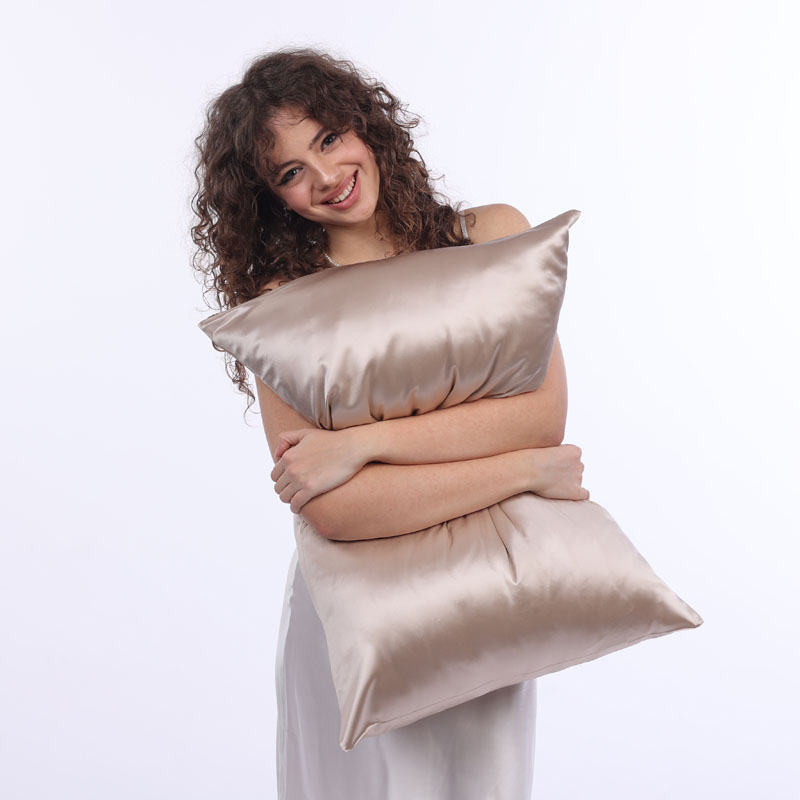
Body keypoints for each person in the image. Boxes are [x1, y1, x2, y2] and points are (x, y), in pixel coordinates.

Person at [191, 46, 587, 800]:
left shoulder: (491, 237)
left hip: (492, 597)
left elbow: (540, 417)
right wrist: (525, 471)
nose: (325, 176)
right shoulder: (285, 306)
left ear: (365, 125)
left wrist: (361, 444)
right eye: (290, 171)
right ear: (270, 198)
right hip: (360, 621)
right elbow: (336, 510)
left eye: (329, 138)